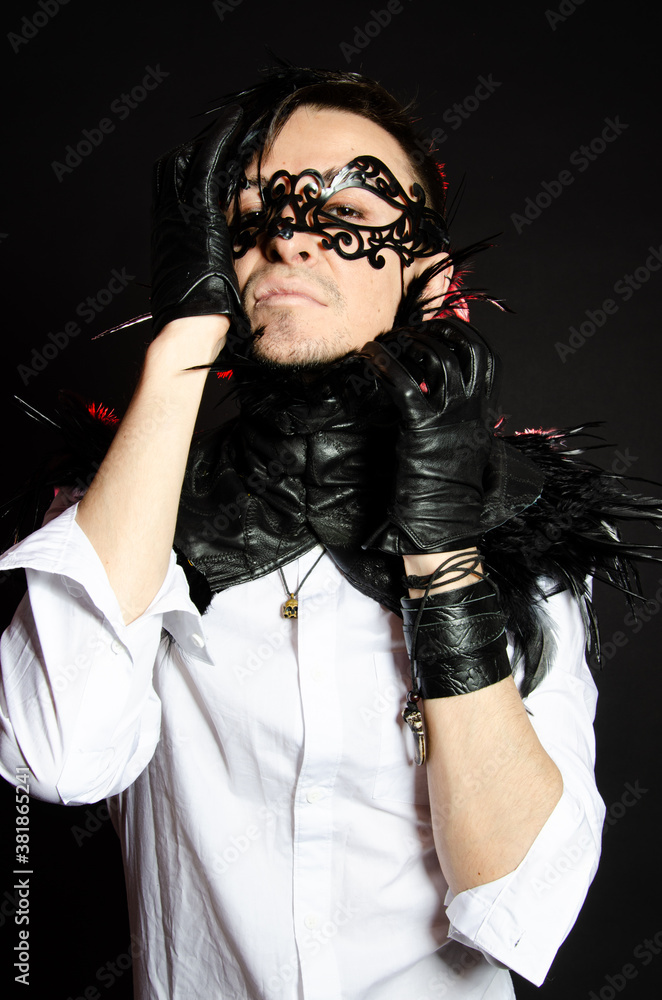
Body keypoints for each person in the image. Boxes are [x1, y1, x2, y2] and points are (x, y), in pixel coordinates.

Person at [1, 65, 656, 999]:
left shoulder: (525, 534)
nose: (293, 237)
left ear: (429, 276)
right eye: (255, 213)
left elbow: (519, 901)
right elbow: (56, 756)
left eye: (347, 207)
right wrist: (183, 342)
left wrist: (442, 548)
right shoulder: (124, 514)